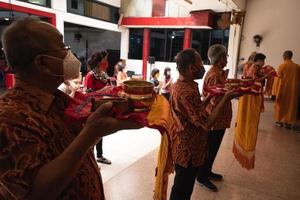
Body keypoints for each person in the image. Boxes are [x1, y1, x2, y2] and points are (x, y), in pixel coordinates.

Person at [0, 17, 142, 200]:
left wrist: (102, 127)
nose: (70, 54)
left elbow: (71, 150)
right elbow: (37, 193)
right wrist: (90, 133)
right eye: (63, 49)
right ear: (42, 63)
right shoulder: (8, 117)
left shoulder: (57, 99)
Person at [169, 48, 240, 200]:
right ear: (190, 68)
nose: (203, 67)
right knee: (182, 189)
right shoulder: (185, 91)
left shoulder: (186, 84)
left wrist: (210, 96)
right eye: (200, 64)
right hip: (188, 149)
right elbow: (205, 124)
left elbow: (196, 109)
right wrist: (226, 99)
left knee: (184, 187)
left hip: (190, 145)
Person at [196, 44, 232, 192]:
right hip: (214, 118)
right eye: (226, 56)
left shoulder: (219, 72)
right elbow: (214, 100)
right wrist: (231, 94)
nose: (227, 59)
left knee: (213, 148)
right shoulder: (214, 74)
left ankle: (207, 171)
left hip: (220, 118)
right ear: (220, 58)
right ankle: (201, 176)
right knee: (209, 148)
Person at [84, 51, 112, 164]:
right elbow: (87, 95)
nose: (106, 62)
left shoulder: (105, 75)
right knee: (91, 133)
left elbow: (110, 90)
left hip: (103, 107)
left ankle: (99, 156)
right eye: (104, 59)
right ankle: (89, 158)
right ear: (98, 62)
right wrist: (102, 91)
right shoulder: (90, 76)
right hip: (93, 108)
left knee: (101, 132)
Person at [274, 50, 300, 128]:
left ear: (285, 56)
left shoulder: (282, 66)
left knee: (281, 104)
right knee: (291, 105)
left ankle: (279, 120)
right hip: (294, 89)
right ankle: (288, 122)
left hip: (283, 89)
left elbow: (278, 78)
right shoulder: (297, 67)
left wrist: (275, 91)